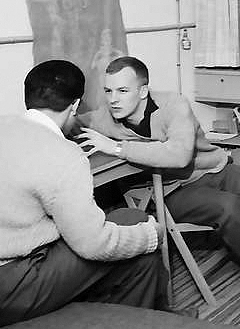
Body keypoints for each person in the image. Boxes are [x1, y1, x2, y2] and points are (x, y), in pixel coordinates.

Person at [76, 56, 240, 304]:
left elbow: (179, 156)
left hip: (214, 168)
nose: (113, 99)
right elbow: (65, 123)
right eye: (108, 91)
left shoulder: (173, 104)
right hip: (172, 190)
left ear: (143, 90)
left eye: (122, 90)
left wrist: (117, 148)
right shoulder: (102, 118)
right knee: (230, 209)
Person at [0, 60, 166, 326]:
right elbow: (93, 245)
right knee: (132, 223)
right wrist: (150, 234)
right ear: (75, 105)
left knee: (140, 262)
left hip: (13, 266)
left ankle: (150, 319)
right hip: (14, 284)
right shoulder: (63, 154)